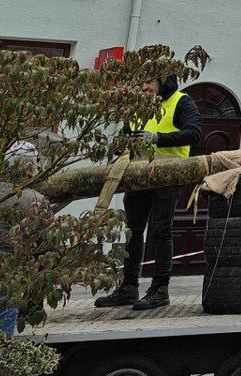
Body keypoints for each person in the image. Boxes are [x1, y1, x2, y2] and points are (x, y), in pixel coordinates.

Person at [95, 75, 201, 311]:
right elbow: (125, 135)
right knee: (133, 231)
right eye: (140, 82)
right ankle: (129, 287)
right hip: (137, 174)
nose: (143, 87)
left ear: (163, 82)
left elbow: (194, 133)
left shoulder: (181, 102)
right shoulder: (138, 108)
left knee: (162, 231)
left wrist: (158, 139)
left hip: (168, 173)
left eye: (149, 82)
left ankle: (159, 290)